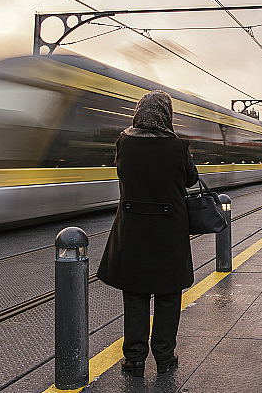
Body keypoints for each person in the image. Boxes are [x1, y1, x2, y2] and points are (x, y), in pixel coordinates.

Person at [97, 90, 199, 377]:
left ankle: (134, 359)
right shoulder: (178, 147)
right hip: (169, 232)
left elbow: (123, 174)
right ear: (167, 114)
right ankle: (165, 358)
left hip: (134, 231)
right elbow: (191, 179)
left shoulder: (124, 143)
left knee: (136, 296)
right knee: (168, 297)